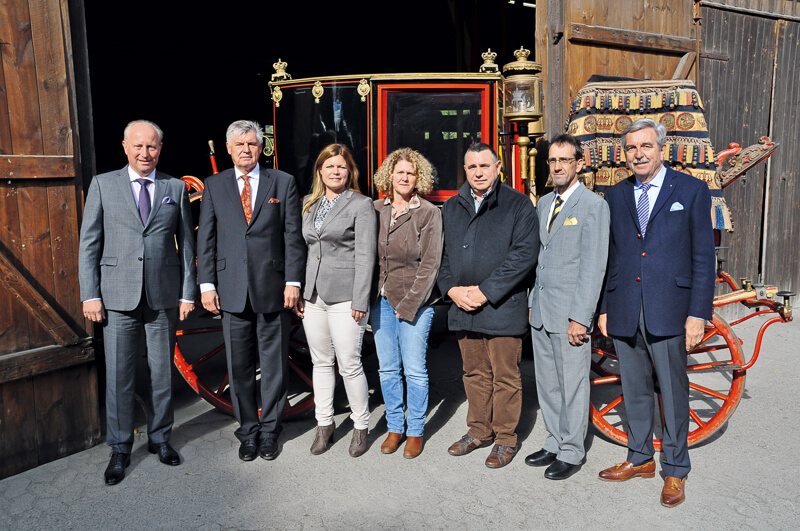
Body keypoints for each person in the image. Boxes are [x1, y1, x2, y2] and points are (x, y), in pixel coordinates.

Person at [597, 119, 715, 507]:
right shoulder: (615, 195)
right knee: (633, 390)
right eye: (631, 148)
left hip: (670, 308)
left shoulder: (692, 191)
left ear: (661, 148)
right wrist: (603, 309)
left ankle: (676, 469)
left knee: (673, 391)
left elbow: (703, 257)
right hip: (626, 308)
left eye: (645, 146)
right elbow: (609, 256)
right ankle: (640, 458)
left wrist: (698, 312)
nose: (638, 154)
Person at [79, 120, 196, 485]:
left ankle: (161, 439)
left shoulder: (173, 188)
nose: (146, 154)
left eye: (153, 147)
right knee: (120, 376)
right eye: (139, 147)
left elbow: (187, 249)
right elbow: (89, 244)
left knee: (162, 374)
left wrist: (187, 293)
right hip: (117, 296)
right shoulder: (103, 184)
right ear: (125, 147)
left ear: (161, 149)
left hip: (161, 296)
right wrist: (91, 294)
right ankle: (120, 447)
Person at [196, 120, 305, 462]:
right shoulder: (214, 186)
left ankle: (271, 431)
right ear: (229, 149)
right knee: (239, 366)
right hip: (230, 291)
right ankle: (248, 431)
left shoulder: (282, 182)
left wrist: (293, 281)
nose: (246, 149)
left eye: (252, 144)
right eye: (239, 144)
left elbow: (292, 236)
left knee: (274, 366)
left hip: (273, 288)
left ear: (261, 149)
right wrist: (207, 284)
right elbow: (207, 238)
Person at [438, 142, 539, 468]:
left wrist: (485, 291)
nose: (478, 172)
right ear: (465, 171)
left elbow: (523, 257)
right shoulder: (452, 207)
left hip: (501, 307)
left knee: (506, 376)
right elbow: (442, 257)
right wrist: (451, 289)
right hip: (463, 307)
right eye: (472, 167)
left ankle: (505, 439)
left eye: (485, 166)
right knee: (474, 373)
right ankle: (478, 430)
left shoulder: (518, 205)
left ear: (498, 168)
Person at [526, 134, 610, 480]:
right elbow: (541, 258)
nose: (558, 166)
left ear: (578, 164)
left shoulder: (593, 206)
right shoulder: (545, 203)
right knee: (547, 382)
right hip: (542, 310)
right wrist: (533, 302)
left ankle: (573, 451)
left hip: (570, 314)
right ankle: (554, 439)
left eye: (565, 160)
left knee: (573, 383)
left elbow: (593, 266)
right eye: (553, 161)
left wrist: (581, 317)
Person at [298, 144, 376, 458]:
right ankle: (324, 424)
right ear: (320, 171)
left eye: (341, 167)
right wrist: (303, 291)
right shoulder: (308, 204)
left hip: (347, 298)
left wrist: (361, 299)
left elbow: (366, 256)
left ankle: (360, 426)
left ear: (349, 172)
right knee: (320, 363)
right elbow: (306, 249)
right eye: (329, 166)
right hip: (313, 296)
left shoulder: (361, 204)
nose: (335, 171)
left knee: (349, 364)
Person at [371, 148, 443, 459]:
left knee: (414, 370)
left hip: (416, 301)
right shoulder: (375, 210)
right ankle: (394, 427)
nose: (404, 177)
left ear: (419, 178)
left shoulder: (428, 213)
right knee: (387, 369)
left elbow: (430, 265)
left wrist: (410, 304)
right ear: (389, 175)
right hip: (381, 300)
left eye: (410, 173)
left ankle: (414, 430)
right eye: (399, 172)